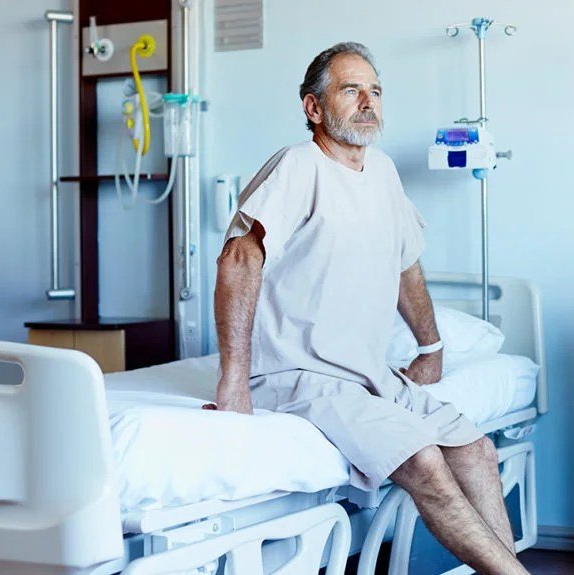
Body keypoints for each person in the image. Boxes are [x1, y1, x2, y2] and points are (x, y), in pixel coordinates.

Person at [208, 42, 530, 575]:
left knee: (477, 452)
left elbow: (406, 265)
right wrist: (234, 379)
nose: (368, 101)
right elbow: (239, 259)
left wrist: (431, 346)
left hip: (366, 373)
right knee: (424, 461)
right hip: (299, 373)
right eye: (351, 89)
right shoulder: (298, 165)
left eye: (375, 90)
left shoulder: (381, 172)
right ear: (313, 108)